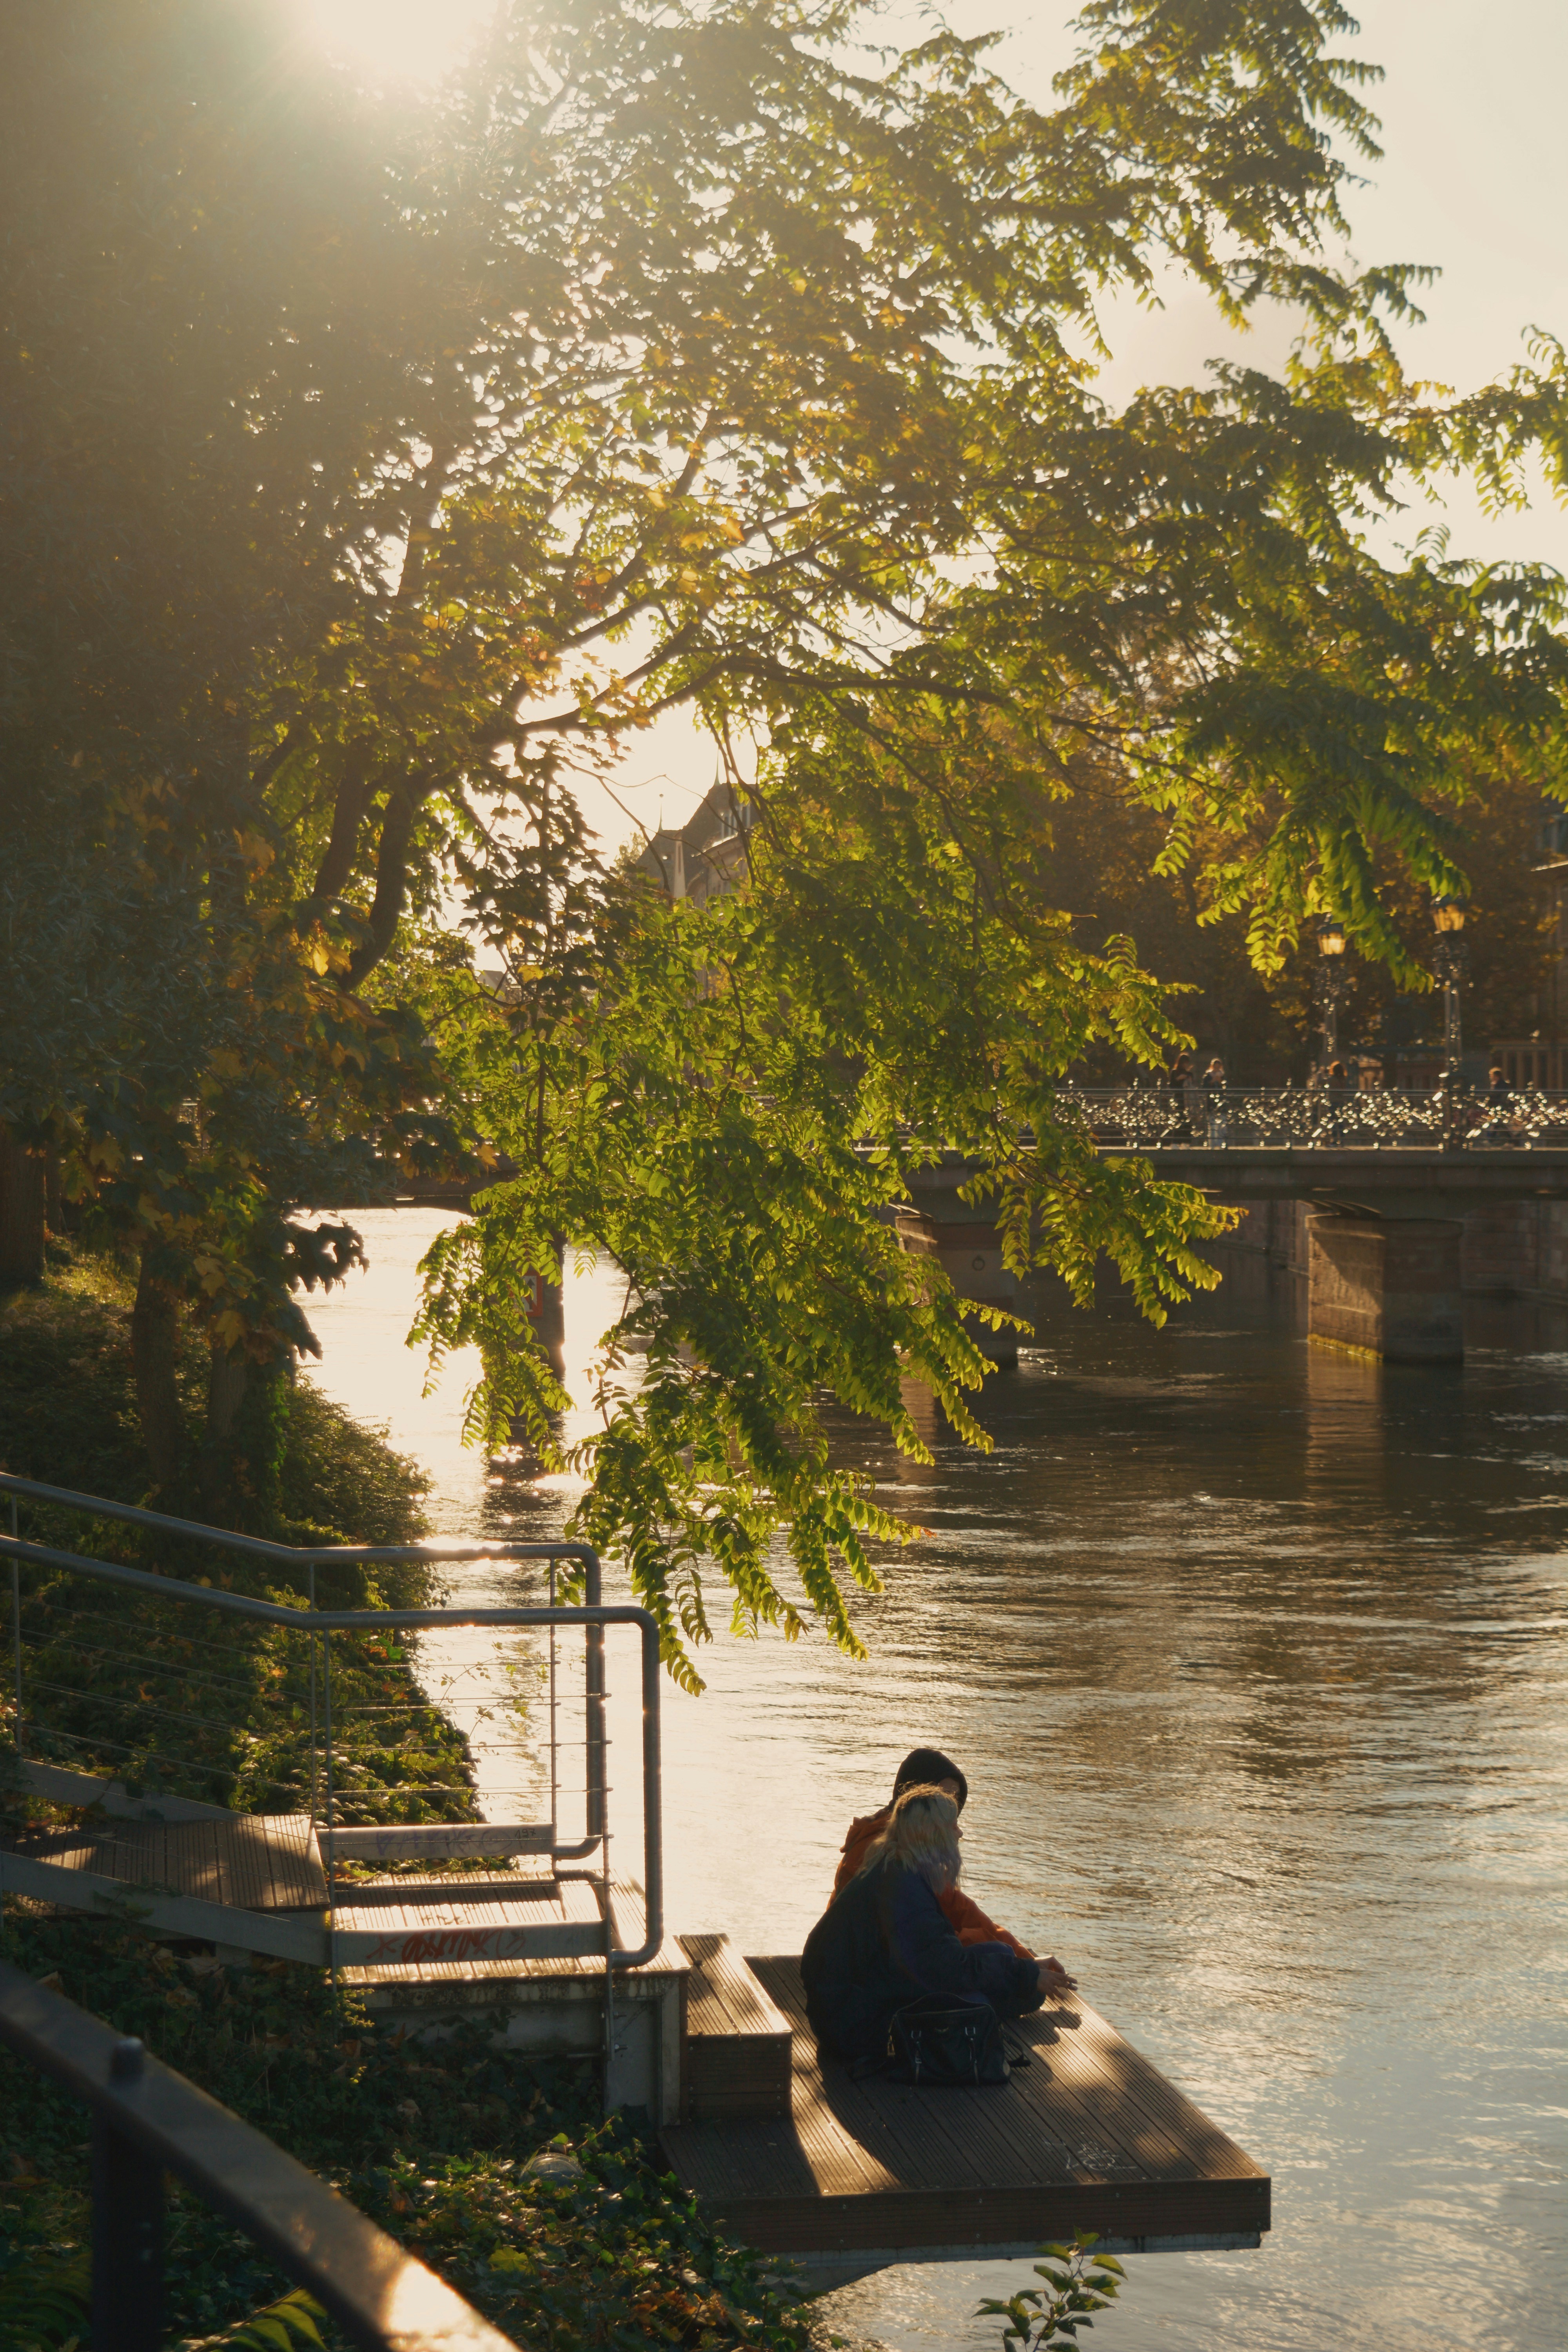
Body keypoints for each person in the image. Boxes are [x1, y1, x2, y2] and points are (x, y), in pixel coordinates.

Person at [803, 1785, 1063, 2066]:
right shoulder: (902, 1888)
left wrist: (1026, 1966)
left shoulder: (895, 1868)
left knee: (1002, 1955)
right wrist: (1026, 1974)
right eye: (953, 1826)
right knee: (998, 1998)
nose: (960, 1833)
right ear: (932, 1833)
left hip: (855, 2002)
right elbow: (948, 1970)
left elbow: (938, 1958)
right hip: (856, 2026)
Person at [833, 1748, 1069, 1981]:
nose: (950, 1810)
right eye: (941, 1796)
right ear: (917, 1801)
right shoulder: (885, 1858)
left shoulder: (912, 1851)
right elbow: (935, 1950)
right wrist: (1020, 1968)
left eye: (954, 1800)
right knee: (1001, 1974)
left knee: (1000, 1961)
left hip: (882, 1970)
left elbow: (960, 1910)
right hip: (860, 1978)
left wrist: (1025, 1959)